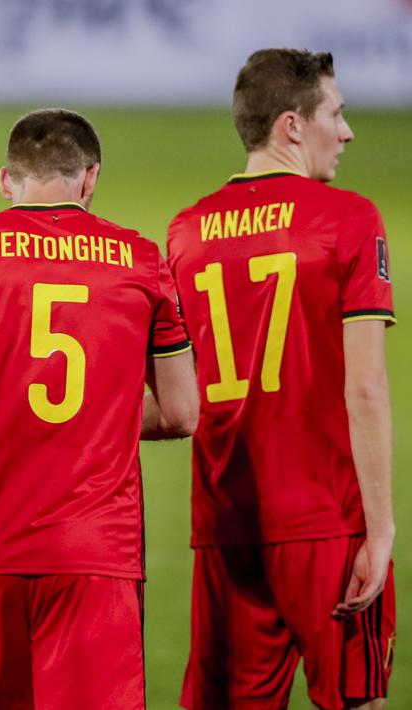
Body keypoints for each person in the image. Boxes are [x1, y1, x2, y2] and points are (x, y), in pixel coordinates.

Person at [0, 108, 199, 708]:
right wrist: (99, 417)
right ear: (90, 177)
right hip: (94, 549)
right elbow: (183, 411)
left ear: (7, 180)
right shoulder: (140, 260)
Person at [169, 49, 396, 710]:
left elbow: (177, 392)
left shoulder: (185, 232)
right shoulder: (348, 218)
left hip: (225, 523)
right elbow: (365, 388)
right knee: (354, 700)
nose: (347, 132)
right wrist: (380, 530)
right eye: (336, 114)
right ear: (292, 126)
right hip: (325, 519)